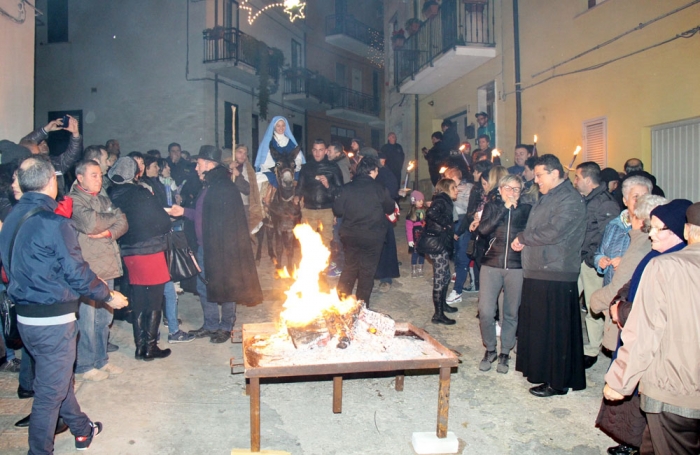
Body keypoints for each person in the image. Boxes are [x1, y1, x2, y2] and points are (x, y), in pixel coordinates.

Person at [0, 156, 128, 454]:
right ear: (51, 182)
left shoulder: (11, 219)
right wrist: (109, 296)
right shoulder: (55, 223)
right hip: (53, 320)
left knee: (56, 378)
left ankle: (83, 430)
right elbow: (77, 272)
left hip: (26, 317)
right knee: (48, 394)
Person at [603, 199, 697, 455]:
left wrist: (619, 381)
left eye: (657, 228)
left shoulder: (667, 266)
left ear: (686, 231)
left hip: (675, 390)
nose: (650, 233)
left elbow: (645, 332)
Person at [511, 154, 587, 397]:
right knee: (540, 327)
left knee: (555, 331)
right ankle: (540, 371)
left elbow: (554, 231)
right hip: (539, 269)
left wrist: (523, 238)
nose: (537, 180)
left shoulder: (570, 199)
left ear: (555, 174)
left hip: (556, 271)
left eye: (540, 175)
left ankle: (557, 380)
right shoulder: (549, 196)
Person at [171, 146, 263, 343]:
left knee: (228, 286)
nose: (196, 168)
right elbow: (203, 215)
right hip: (206, 247)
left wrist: (227, 249)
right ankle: (211, 324)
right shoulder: (209, 185)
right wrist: (184, 212)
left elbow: (230, 223)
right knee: (204, 286)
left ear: (208, 164)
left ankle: (226, 326)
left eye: (198, 164)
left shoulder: (224, 187)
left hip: (223, 249)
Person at [107, 157, 173, 360]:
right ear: (134, 174)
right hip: (150, 251)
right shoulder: (140, 193)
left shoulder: (111, 194)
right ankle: (150, 347)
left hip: (129, 252)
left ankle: (139, 347)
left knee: (139, 299)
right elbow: (162, 221)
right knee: (154, 299)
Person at [70, 160, 129, 380]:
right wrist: (112, 219)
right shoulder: (74, 200)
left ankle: (101, 360)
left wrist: (107, 232)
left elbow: (123, 223)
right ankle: (85, 365)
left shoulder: (103, 198)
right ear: (80, 177)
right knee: (87, 319)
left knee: (104, 318)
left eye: (100, 175)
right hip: (88, 268)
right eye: (93, 175)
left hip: (107, 264)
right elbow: (89, 224)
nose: (99, 179)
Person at [474, 174, 531, 374]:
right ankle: (490, 349)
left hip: (516, 266)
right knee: (486, 310)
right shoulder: (491, 207)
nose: (512, 192)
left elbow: (531, 233)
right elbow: (483, 229)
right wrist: (504, 209)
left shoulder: (526, 209)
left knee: (511, 312)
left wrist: (524, 240)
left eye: (516, 189)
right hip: (491, 263)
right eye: (508, 188)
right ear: (499, 189)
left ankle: (505, 351)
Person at [573, 162, 620, 369]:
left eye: (577, 178)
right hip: (580, 259)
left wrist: (592, 258)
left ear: (587, 179)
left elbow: (605, 237)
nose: (575, 182)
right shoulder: (587, 199)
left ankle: (592, 349)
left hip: (592, 263)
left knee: (593, 306)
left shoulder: (605, 203)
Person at [333, 156, 395, 307]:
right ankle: (361, 306)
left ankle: (342, 303)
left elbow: (338, 210)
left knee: (350, 267)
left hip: (350, 236)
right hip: (372, 237)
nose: (377, 174)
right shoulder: (380, 189)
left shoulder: (346, 188)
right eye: (376, 171)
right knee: (367, 271)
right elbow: (390, 208)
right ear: (372, 171)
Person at [593, 176, 652, 287]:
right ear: (625, 200)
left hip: (636, 289)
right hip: (612, 288)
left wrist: (626, 263)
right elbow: (600, 252)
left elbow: (653, 261)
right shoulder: (614, 225)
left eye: (645, 197)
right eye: (636, 196)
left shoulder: (653, 228)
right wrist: (600, 261)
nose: (641, 201)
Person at [421, 178, 459, 325]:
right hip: (436, 245)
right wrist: (446, 225)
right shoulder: (442, 199)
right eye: (454, 187)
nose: (457, 190)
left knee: (446, 276)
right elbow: (431, 213)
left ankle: (442, 305)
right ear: (446, 188)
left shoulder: (444, 199)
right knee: (440, 278)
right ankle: (438, 315)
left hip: (440, 243)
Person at [294, 139, 344, 249]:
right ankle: (310, 266)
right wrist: (297, 196)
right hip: (308, 210)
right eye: (315, 150)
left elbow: (340, 191)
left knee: (325, 243)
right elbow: (300, 187)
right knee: (307, 243)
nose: (317, 153)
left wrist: (328, 185)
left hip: (327, 211)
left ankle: (323, 266)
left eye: (320, 150)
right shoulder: (306, 167)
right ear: (312, 151)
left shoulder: (333, 168)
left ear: (326, 151)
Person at [21, 116, 83, 195]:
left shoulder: (55, 163)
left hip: (56, 204)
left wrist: (75, 134)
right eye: (40, 143)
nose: (44, 145)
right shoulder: (28, 167)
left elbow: (72, 155)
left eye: (45, 142)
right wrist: (46, 129)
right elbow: (25, 143)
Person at [443, 167, 473, 304]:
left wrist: (451, 197)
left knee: (462, 255)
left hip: (463, 223)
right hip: (452, 222)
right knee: (453, 253)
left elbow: (469, 208)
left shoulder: (468, 188)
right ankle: (458, 275)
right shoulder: (449, 187)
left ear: (453, 177)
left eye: (446, 177)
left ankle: (457, 291)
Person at [255, 116, 304, 189]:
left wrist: (294, 166)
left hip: (290, 169)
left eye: (283, 125)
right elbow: (266, 159)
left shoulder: (291, 142)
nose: (281, 128)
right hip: (273, 171)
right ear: (274, 127)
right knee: (257, 180)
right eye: (278, 126)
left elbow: (298, 158)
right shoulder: (268, 142)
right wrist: (276, 168)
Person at [406, 191, 426, 278]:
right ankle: (414, 268)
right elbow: (409, 228)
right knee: (415, 253)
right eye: (419, 200)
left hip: (423, 236)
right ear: (414, 201)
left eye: (422, 200)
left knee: (422, 253)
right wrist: (410, 240)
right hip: (415, 237)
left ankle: (420, 268)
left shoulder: (424, 211)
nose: (421, 202)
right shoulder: (411, 214)